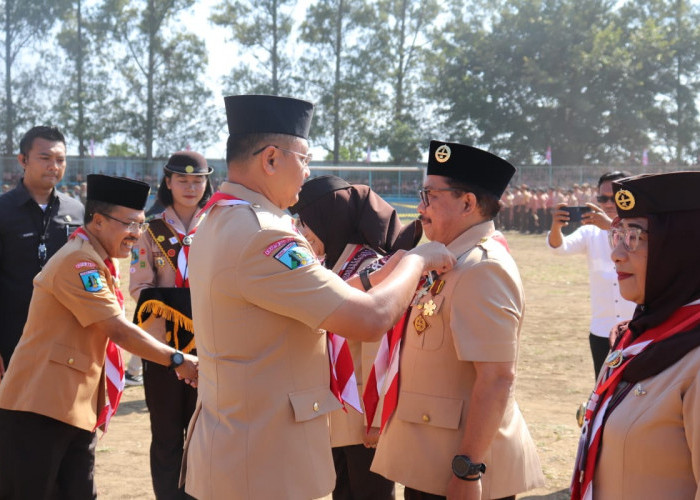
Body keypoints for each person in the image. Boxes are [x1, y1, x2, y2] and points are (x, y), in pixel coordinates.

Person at [183, 94, 455, 500]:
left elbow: (299, 297)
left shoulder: (221, 218)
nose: (307, 171)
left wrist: (374, 277)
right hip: (263, 461)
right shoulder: (265, 233)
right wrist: (416, 261)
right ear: (271, 159)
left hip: (241, 445)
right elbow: (369, 320)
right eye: (304, 159)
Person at [0, 174, 198, 499]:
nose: (137, 234)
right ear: (98, 221)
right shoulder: (79, 263)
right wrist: (178, 359)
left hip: (73, 409)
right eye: (129, 224)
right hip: (39, 411)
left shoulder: (96, 261)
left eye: (141, 223)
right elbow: (117, 329)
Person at [370, 140, 544, 500]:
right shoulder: (453, 260)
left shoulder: (483, 268)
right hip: (430, 459)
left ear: (468, 203)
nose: (420, 207)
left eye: (431, 196)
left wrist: (468, 471)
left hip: (458, 471)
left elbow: (497, 377)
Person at [290, 174, 423, 500]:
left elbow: (383, 353)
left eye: (306, 224)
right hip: (332, 415)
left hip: (365, 421)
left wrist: (378, 421)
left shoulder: (375, 268)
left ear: (329, 221)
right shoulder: (327, 265)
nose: (300, 233)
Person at [571, 171, 700, 499]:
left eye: (635, 236)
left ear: (680, 248)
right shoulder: (641, 334)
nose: (616, 253)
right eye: (618, 233)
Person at [130, 151, 213, 499]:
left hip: (213, 343)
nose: (191, 186)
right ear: (168, 182)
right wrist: (171, 354)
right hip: (162, 347)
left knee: (207, 434)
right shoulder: (149, 230)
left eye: (198, 180)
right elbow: (140, 287)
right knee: (165, 435)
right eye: (182, 180)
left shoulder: (218, 224)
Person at [0, 126, 84, 375]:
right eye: (45, 158)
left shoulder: (78, 211)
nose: (54, 166)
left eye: (60, 160)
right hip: (12, 336)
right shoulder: (3, 211)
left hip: (65, 338)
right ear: (23, 160)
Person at [547, 171, 637, 377]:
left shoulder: (643, 229)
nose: (608, 203)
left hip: (637, 325)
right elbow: (559, 248)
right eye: (603, 198)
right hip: (602, 329)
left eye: (615, 198)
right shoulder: (590, 232)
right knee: (603, 387)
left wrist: (612, 226)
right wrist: (556, 227)